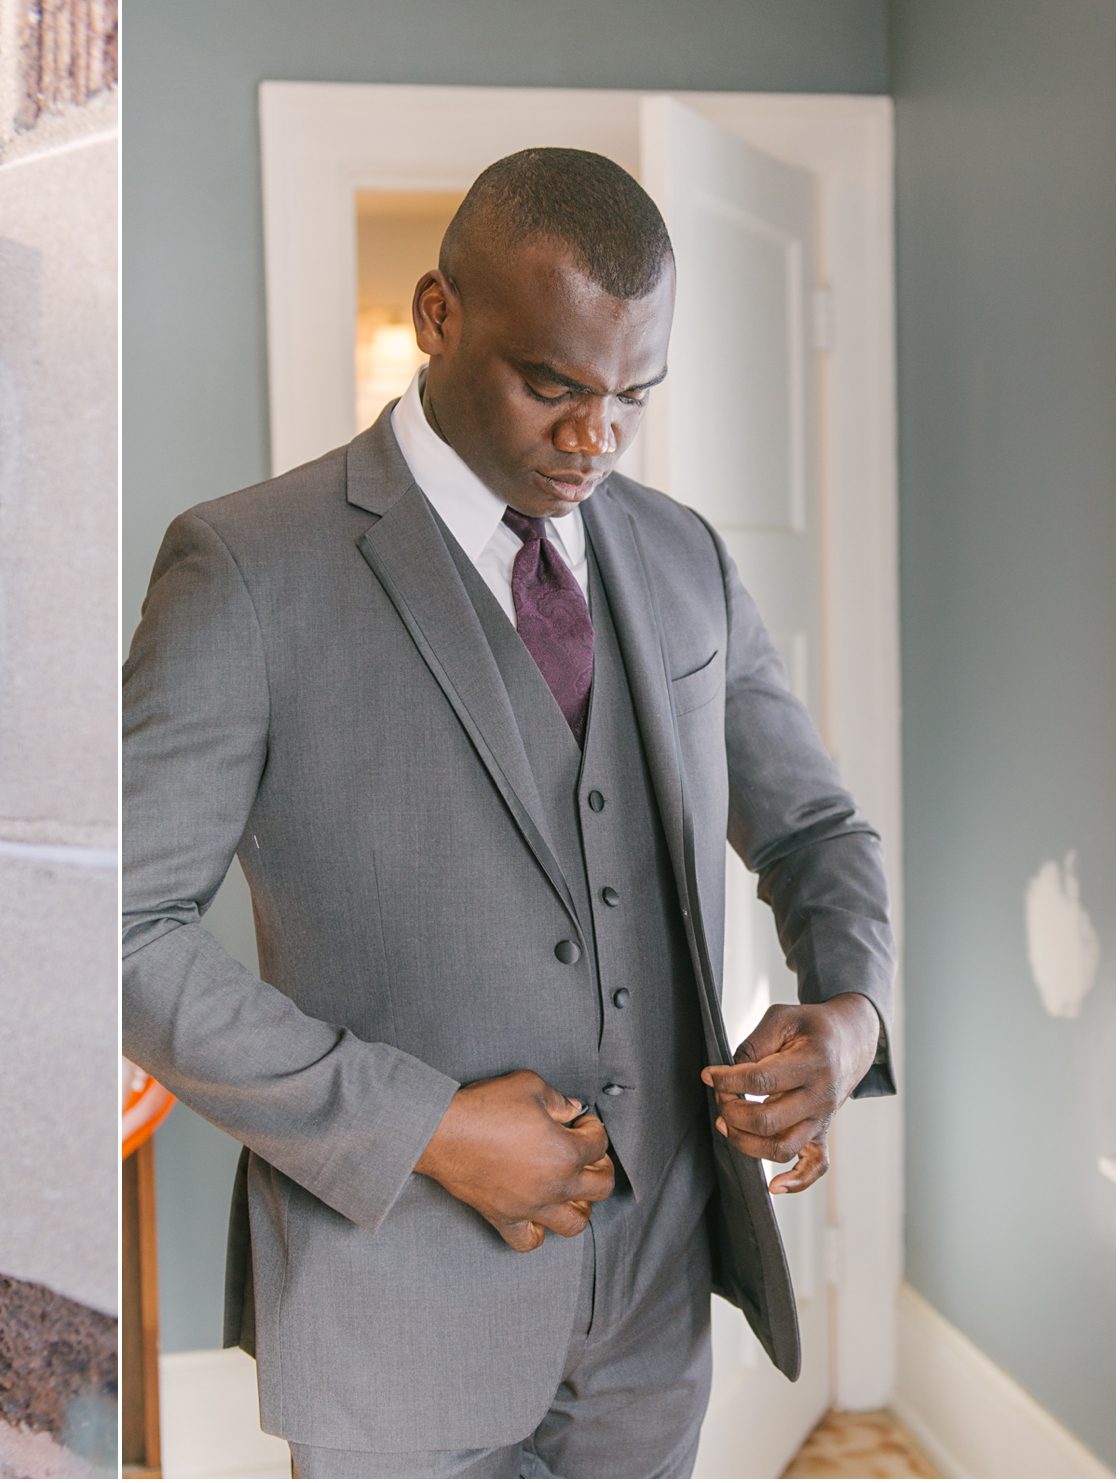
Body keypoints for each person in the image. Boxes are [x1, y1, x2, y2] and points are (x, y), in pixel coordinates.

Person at [121, 147, 894, 1479]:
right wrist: (422, 1126)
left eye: (631, 397)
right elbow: (117, 926)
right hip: (395, 1310)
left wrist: (851, 1012)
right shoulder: (245, 566)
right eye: (552, 386)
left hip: (656, 1308)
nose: (594, 439)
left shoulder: (684, 556)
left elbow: (818, 833)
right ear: (439, 317)